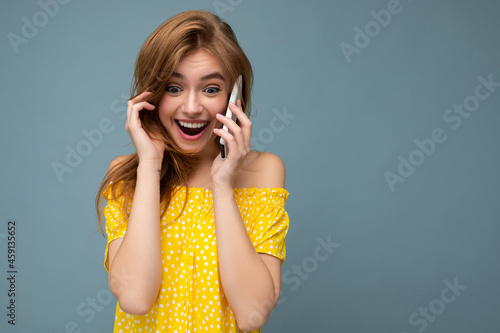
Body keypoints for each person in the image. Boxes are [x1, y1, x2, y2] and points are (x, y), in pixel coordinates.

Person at [95, 10, 290, 333]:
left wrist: (223, 184)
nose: (191, 107)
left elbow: (253, 314)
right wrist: (149, 166)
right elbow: (135, 298)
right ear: (152, 96)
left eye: (211, 89)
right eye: (174, 88)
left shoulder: (264, 171)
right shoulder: (127, 175)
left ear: (234, 98)